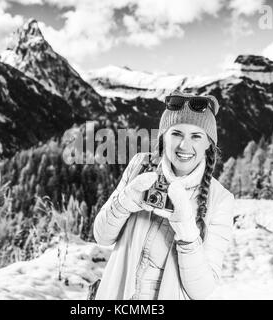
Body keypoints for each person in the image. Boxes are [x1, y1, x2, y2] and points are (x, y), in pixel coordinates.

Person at [93, 90, 235, 300]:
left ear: (208, 144)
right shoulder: (140, 166)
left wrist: (187, 233)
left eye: (196, 136)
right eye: (176, 133)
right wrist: (123, 203)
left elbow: (203, 290)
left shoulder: (220, 199)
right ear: (163, 137)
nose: (184, 146)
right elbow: (102, 236)